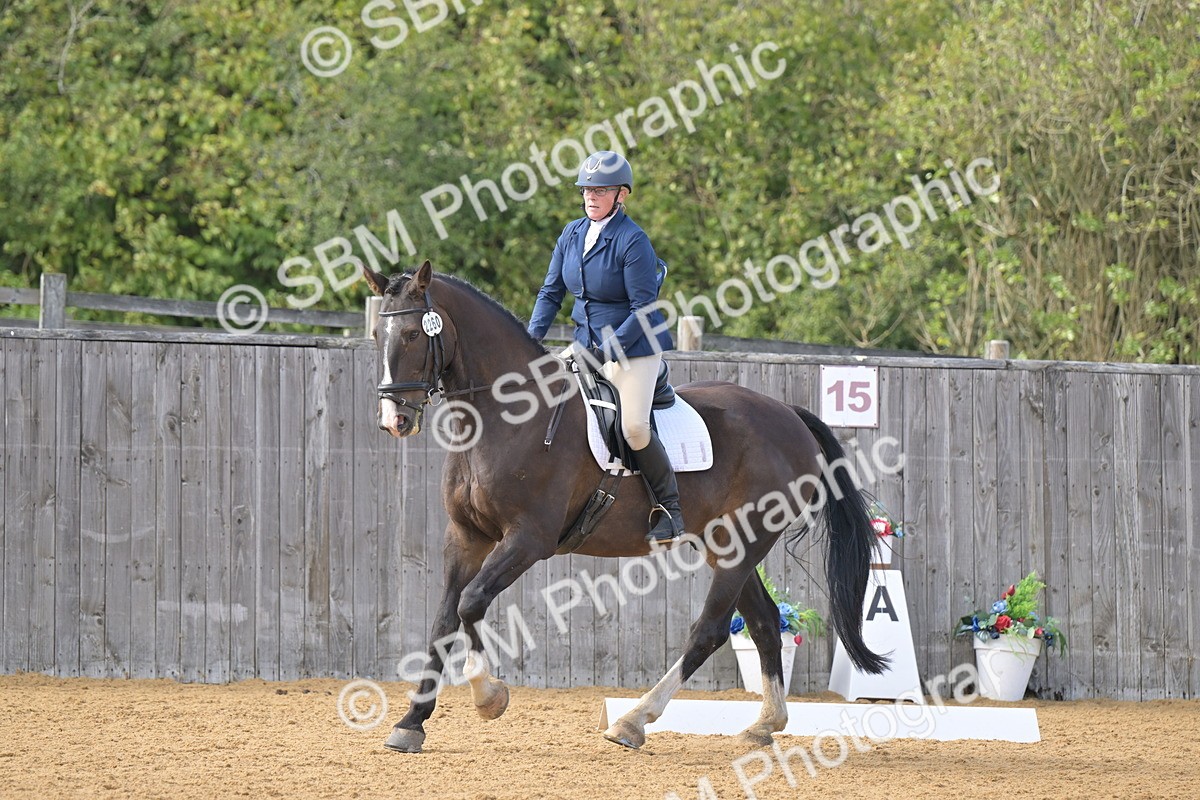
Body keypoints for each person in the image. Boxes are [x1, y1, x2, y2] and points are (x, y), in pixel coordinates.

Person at [527, 151, 685, 542]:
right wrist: (529, 341)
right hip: (583, 344)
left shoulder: (633, 241)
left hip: (634, 349)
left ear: (620, 194)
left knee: (633, 427)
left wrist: (607, 351)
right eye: (586, 190)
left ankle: (671, 510)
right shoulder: (572, 234)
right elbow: (550, 293)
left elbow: (645, 309)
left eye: (600, 190)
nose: (590, 196)